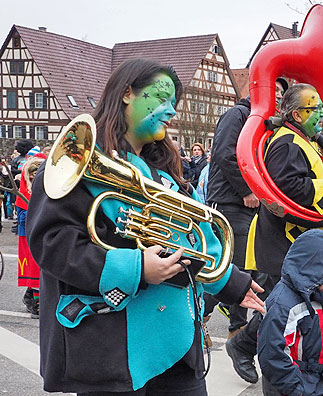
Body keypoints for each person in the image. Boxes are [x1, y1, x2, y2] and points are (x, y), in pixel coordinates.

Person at [26, 59, 264, 396]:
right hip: (111, 348)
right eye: (161, 98)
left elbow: (196, 237)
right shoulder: (76, 163)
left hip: (177, 344)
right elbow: (52, 244)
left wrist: (234, 284)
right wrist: (137, 269)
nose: (170, 112)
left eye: (173, 104)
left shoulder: (164, 174)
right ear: (126, 93)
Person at [225, 83, 323, 384]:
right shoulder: (286, 143)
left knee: (286, 307)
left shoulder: (302, 140)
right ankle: (250, 351)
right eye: (314, 108)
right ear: (296, 113)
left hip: (297, 240)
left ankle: (265, 355)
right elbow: (286, 191)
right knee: (280, 308)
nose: (322, 114)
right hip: (282, 241)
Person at [204, 78, 287, 341]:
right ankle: (213, 323)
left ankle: (232, 327)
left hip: (250, 206)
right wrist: (246, 190)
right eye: (274, 91)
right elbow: (225, 153)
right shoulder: (238, 114)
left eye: (281, 94)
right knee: (232, 268)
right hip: (229, 203)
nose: (278, 97)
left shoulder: (264, 123)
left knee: (248, 269)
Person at [258, 230, 323, 396]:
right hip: (290, 386)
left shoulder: (318, 297)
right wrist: (295, 389)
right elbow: (273, 354)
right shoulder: (284, 305)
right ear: (309, 270)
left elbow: (320, 345)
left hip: (313, 380)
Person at [17, 154, 46, 317]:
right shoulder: (23, 194)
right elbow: (22, 219)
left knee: (40, 268)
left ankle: (29, 296)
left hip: (41, 234)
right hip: (29, 237)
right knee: (34, 269)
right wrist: (34, 212)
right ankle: (37, 303)